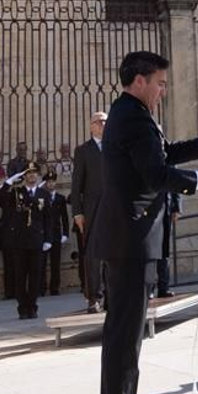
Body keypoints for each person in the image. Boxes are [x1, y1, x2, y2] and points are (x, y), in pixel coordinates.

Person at [96, 49, 198, 394]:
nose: (163, 91)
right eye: (160, 83)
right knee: (125, 335)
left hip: (130, 238)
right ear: (139, 81)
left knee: (125, 332)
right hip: (131, 238)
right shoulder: (134, 117)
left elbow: (160, 154)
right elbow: (155, 174)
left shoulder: (131, 113)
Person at [0, 164, 52, 319]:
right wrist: (8, 182)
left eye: (34, 173)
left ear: (37, 175)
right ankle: (22, 307)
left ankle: (33, 306)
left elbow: (48, 218)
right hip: (19, 241)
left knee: (35, 275)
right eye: (28, 173)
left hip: (37, 240)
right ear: (24, 176)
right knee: (20, 275)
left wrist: (48, 239)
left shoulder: (43, 194)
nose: (31, 176)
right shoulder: (16, 193)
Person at [71, 111, 108, 313]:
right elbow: (76, 185)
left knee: (114, 253)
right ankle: (93, 296)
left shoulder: (115, 147)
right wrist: (77, 212)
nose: (103, 125)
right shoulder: (83, 151)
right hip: (92, 210)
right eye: (99, 122)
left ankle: (112, 295)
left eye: (105, 122)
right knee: (93, 256)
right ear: (91, 126)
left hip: (113, 208)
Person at [44, 170, 73, 297]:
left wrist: (65, 233)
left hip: (56, 233)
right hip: (45, 234)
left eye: (52, 182)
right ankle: (42, 287)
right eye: (48, 182)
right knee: (42, 263)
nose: (51, 184)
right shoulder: (42, 196)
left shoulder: (60, 198)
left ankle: (55, 287)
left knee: (56, 263)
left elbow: (64, 217)